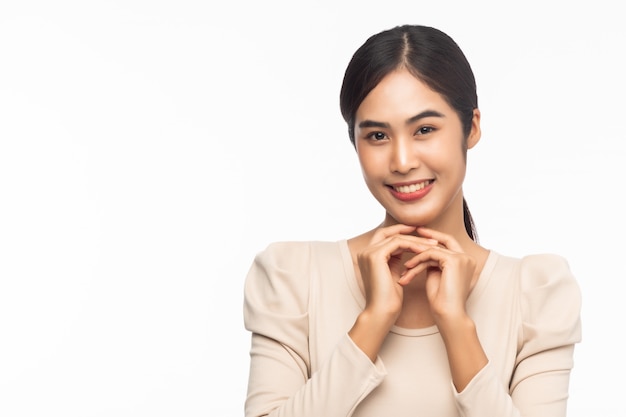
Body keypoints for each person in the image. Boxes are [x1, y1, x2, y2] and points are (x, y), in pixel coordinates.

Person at [242, 24, 582, 417]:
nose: (402, 161)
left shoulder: (537, 293)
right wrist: (371, 322)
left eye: (424, 129)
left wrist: (457, 327)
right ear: (354, 142)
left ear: (471, 128)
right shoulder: (292, 277)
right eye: (377, 136)